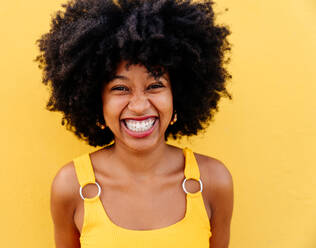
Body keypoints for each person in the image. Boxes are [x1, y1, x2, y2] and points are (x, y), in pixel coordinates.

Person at [35, 0, 234, 247]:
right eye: (120, 88)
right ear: (97, 100)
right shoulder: (70, 185)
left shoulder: (214, 181)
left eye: (155, 86)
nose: (139, 106)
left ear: (178, 94)